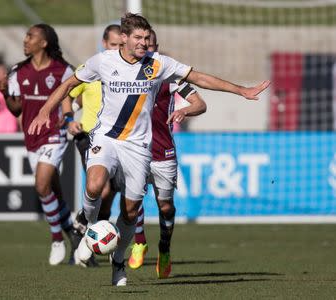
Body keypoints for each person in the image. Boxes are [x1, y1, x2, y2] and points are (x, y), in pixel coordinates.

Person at [27, 13, 270, 286]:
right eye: (139, 38)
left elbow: (200, 78)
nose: (144, 43)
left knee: (131, 211)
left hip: (139, 146)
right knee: (95, 185)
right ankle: (86, 228)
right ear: (123, 38)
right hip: (106, 137)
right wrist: (46, 110)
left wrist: (241, 91)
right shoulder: (103, 61)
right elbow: (70, 84)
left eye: (146, 38)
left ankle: (118, 263)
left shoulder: (158, 64)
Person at [127, 29, 207, 278]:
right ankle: (139, 241)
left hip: (163, 151)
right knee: (134, 199)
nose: (145, 46)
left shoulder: (170, 76)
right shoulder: (125, 73)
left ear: (156, 46)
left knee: (165, 206)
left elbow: (200, 104)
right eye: (141, 42)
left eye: (149, 43)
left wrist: (186, 111)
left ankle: (164, 248)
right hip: (135, 149)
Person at [0, 24, 80, 266]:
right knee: (53, 191)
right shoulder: (18, 71)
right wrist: (4, 93)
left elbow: (75, 96)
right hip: (31, 138)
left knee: (42, 184)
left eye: (30, 36)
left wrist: (67, 117)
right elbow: (16, 110)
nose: (25, 40)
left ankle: (57, 239)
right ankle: (75, 236)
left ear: (44, 43)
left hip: (54, 135)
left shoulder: (63, 71)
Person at [65, 25, 123, 266]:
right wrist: (69, 119)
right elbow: (68, 93)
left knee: (112, 194)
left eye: (121, 45)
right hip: (88, 134)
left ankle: (85, 232)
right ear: (103, 43)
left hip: (118, 138)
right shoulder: (92, 67)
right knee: (103, 189)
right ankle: (83, 233)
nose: (117, 49)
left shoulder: (128, 71)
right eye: (113, 45)